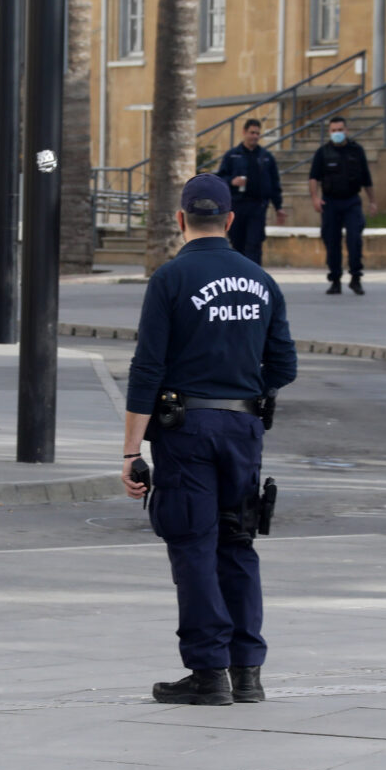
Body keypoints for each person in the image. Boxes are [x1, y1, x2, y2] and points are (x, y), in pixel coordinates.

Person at [121, 173, 298, 705]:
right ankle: (248, 671)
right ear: (230, 219)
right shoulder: (261, 281)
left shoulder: (171, 279)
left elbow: (146, 369)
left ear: (180, 220)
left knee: (194, 545)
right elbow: (284, 364)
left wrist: (132, 451)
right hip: (243, 429)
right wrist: (243, 391)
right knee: (238, 542)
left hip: (186, 431)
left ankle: (207, 673)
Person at [308, 115, 373, 296]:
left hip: (352, 201)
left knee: (354, 239)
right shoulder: (323, 152)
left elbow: (367, 178)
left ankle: (355, 278)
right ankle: (335, 279)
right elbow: (314, 177)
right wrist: (315, 198)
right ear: (329, 132)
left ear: (346, 130)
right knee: (332, 241)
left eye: (340, 130)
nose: (337, 133)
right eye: (334, 130)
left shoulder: (356, 151)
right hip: (331, 202)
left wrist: (372, 201)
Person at [215, 119, 285, 264]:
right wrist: (231, 182)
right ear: (244, 132)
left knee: (254, 244)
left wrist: (278, 207)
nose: (255, 136)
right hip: (237, 206)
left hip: (257, 207)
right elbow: (220, 179)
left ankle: (254, 279)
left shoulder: (266, 157)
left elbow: (274, 184)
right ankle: (239, 278)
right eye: (252, 132)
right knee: (237, 244)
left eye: (257, 133)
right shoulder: (232, 156)